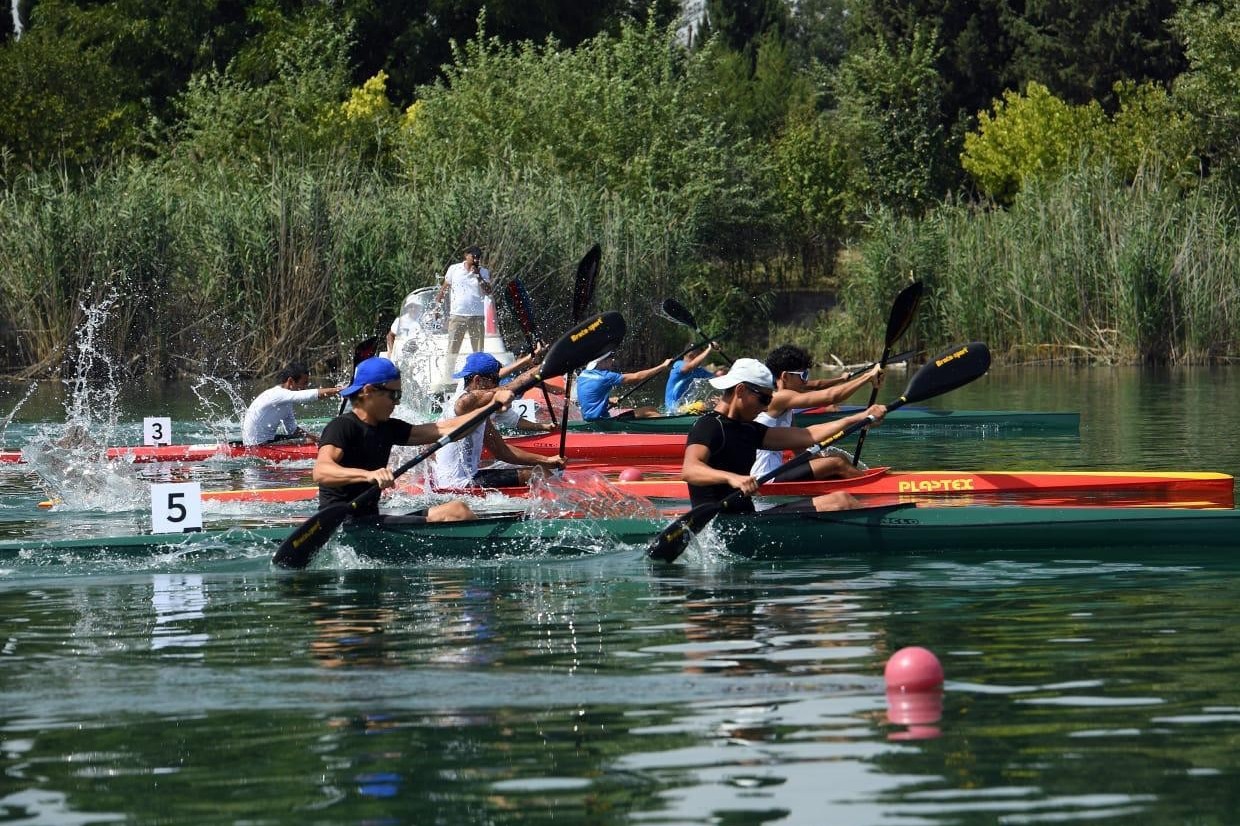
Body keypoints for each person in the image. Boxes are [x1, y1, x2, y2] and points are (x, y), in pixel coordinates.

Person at [314, 356, 514, 523]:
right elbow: (322, 471)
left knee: (458, 509)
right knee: (456, 513)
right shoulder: (342, 426)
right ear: (369, 391)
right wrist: (368, 475)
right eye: (394, 394)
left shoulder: (388, 428)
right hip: (341, 522)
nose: (398, 401)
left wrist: (491, 406)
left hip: (370, 519)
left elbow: (448, 428)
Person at [681, 358, 887, 513]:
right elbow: (690, 470)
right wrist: (732, 478)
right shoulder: (709, 425)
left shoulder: (749, 429)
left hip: (747, 520)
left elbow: (808, 435)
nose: (765, 407)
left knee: (841, 499)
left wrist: (860, 417)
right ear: (741, 390)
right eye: (763, 399)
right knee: (842, 502)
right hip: (722, 526)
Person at [430, 352, 566, 489]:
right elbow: (515, 385)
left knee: (537, 469)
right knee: (539, 474)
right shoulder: (464, 403)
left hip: (456, 480)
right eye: (495, 379)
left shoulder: (478, 411)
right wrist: (554, 362)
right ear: (478, 380)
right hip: (458, 484)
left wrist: (547, 460)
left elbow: (502, 452)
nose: (498, 384)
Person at [751, 345, 885, 481]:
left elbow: (799, 448)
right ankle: (875, 486)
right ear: (785, 376)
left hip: (774, 471)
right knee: (837, 463)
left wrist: (821, 463)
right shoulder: (778, 397)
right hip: (763, 477)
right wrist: (868, 377)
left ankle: (858, 479)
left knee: (837, 460)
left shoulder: (785, 408)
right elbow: (831, 396)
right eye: (803, 375)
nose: (805, 381)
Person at [241, 363, 341, 446]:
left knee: (310, 440)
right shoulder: (277, 394)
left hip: (265, 442)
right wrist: (337, 390)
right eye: (304, 383)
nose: (306, 387)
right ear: (290, 381)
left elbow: (292, 430)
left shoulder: (286, 402)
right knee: (308, 442)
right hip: (255, 445)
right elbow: (307, 396)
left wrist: (316, 439)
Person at [434, 245, 492, 383]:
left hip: (476, 316)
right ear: (466, 256)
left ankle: (477, 378)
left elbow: (488, 291)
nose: (476, 259)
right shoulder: (454, 269)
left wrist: (478, 276)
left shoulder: (483, 272)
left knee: (478, 351)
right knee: (453, 349)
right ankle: (447, 378)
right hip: (457, 315)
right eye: (474, 256)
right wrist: (437, 307)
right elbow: (444, 289)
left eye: (478, 257)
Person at [575, 351, 674, 420]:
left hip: (589, 417)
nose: (612, 361)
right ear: (602, 362)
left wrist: (608, 400)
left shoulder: (584, 374)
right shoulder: (605, 377)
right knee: (649, 411)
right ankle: (669, 429)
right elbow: (637, 377)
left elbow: (590, 394)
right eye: (610, 359)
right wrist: (663, 366)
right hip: (601, 421)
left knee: (651, 408)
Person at [663, 341, 717, 413]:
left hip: (686, 407)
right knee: (702, 405)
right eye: (700, 355)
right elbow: (688, 367)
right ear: (691, 355)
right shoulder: (677, 364)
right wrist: (709, 349)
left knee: (715, 402)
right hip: (673, 409)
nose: (702, 358)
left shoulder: (699, 371)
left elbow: (718, 378)